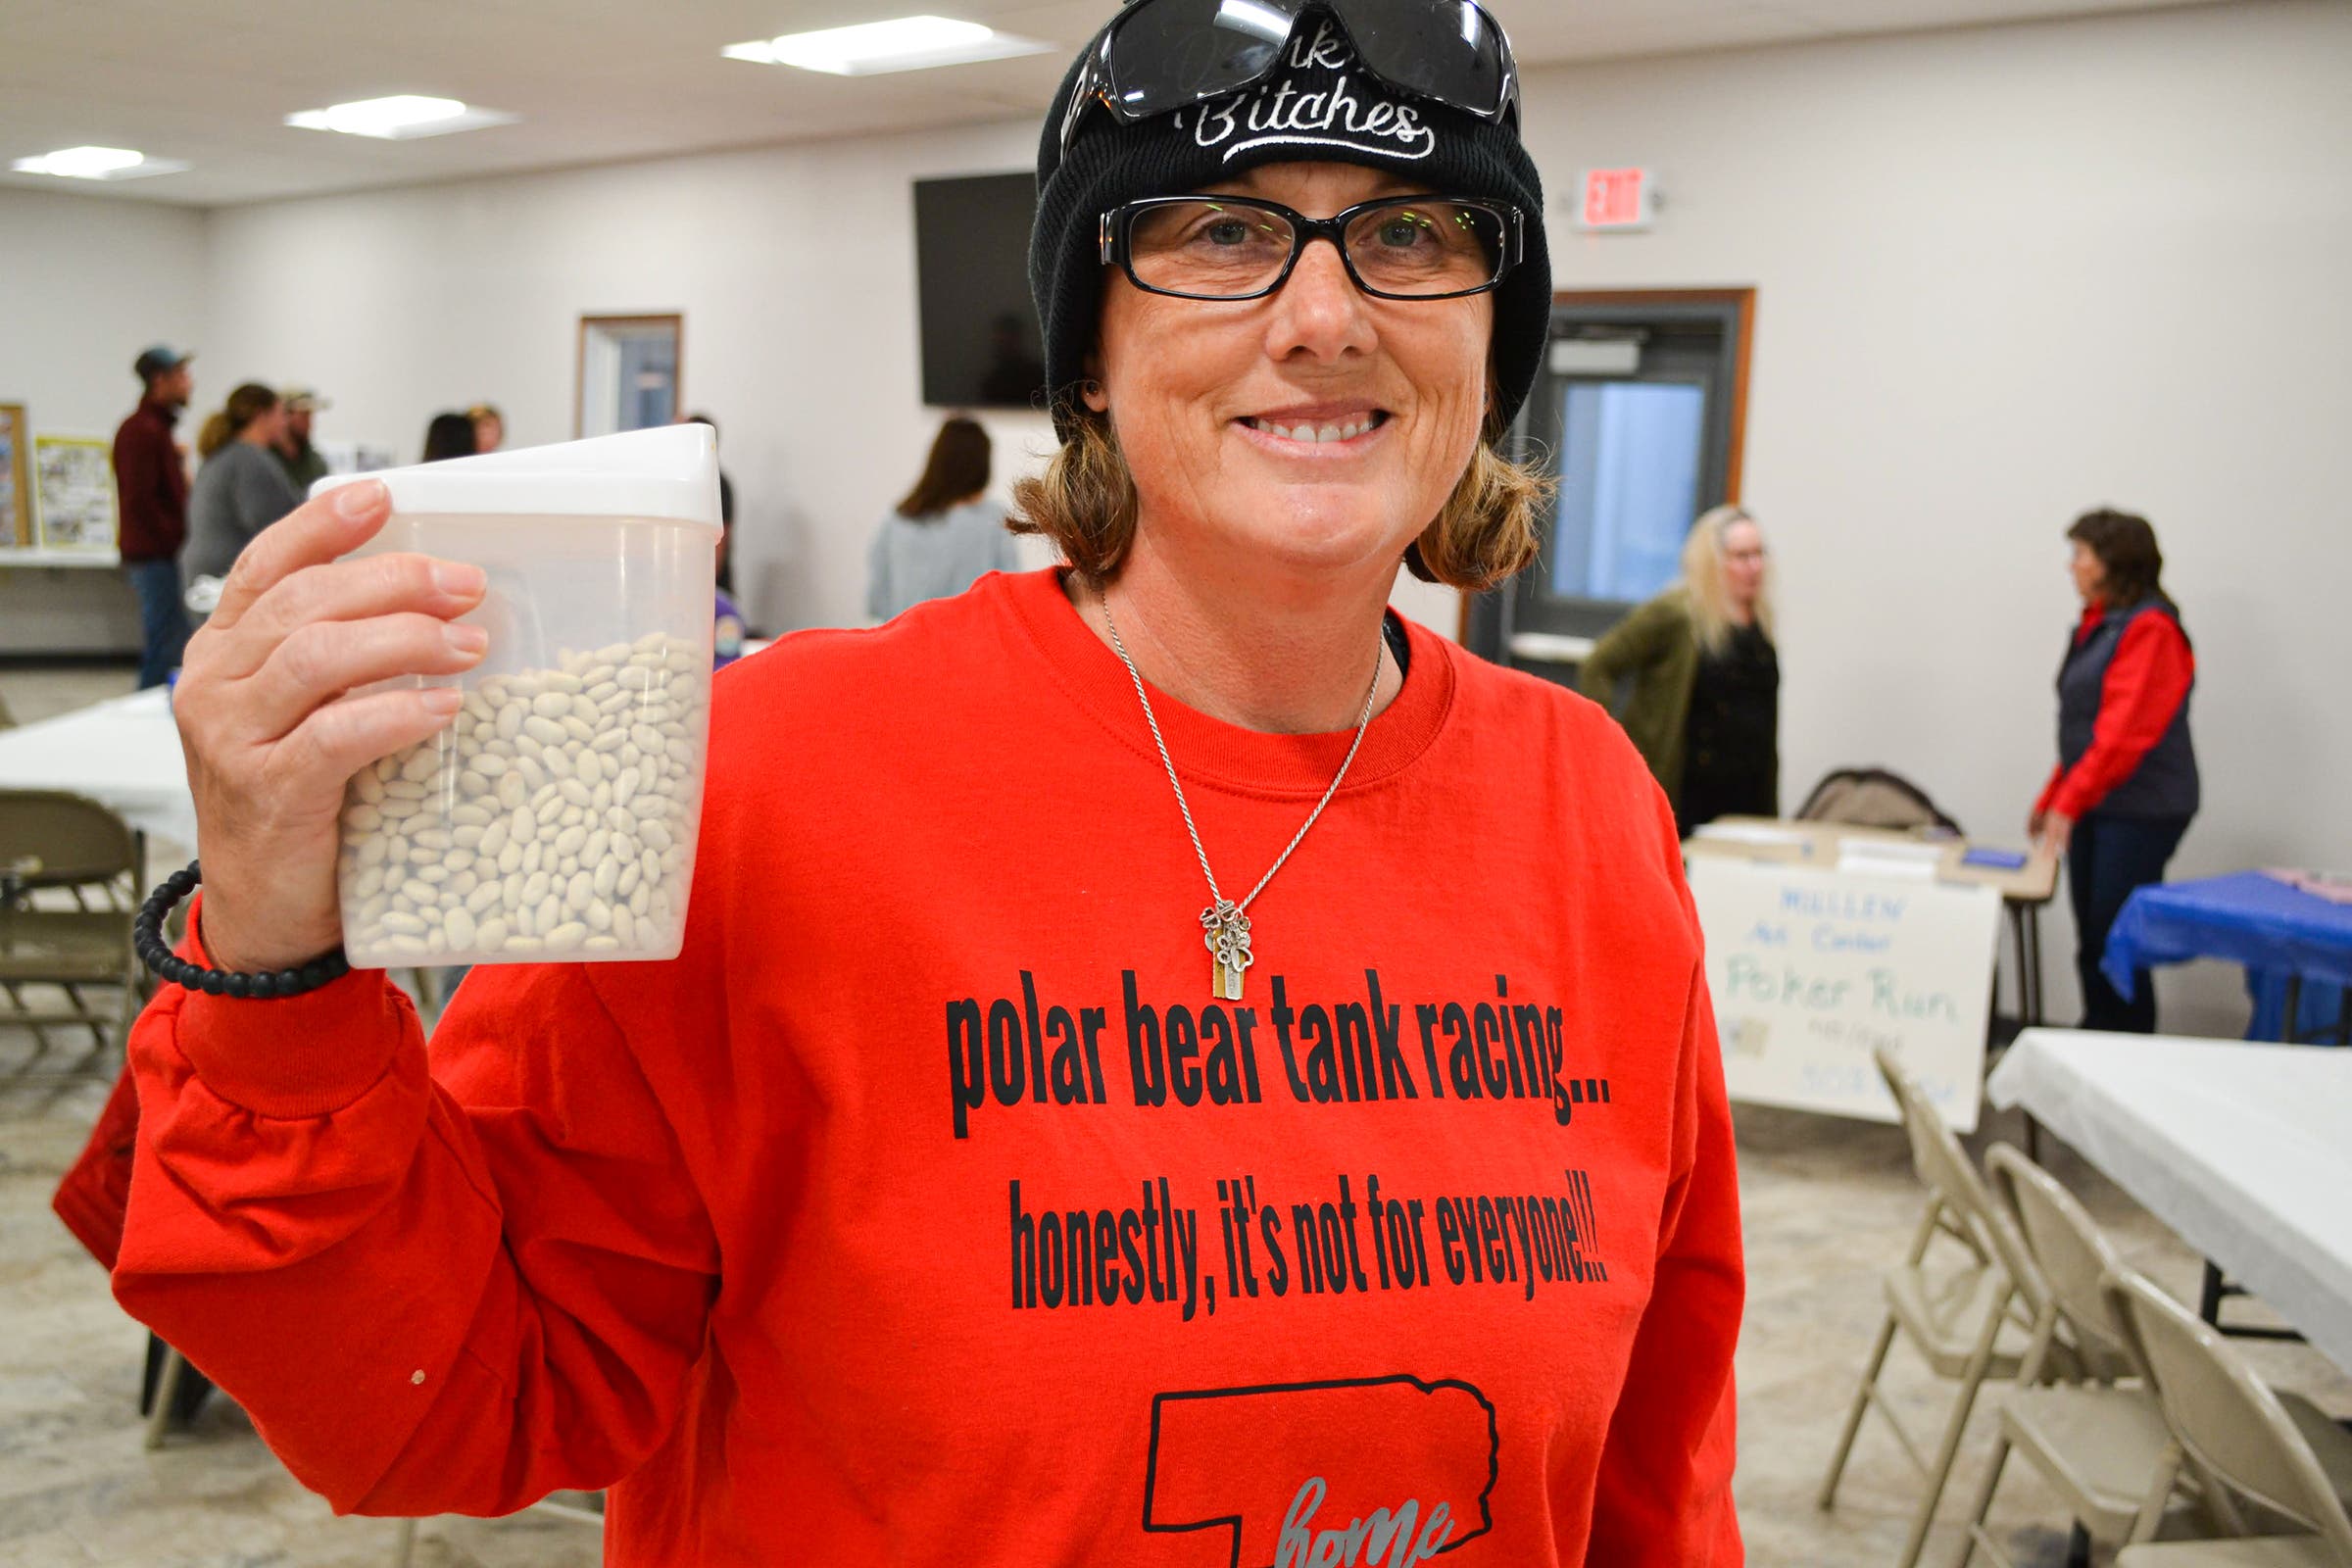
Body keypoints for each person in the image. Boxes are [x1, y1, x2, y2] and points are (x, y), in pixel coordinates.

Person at [115, 7, 1742, 1563]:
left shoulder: (1587, 808)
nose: (1325, 315)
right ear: (1090, 357)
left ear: (1489, 343)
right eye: (1221, 233)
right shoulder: (777, 782)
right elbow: (446, 1403)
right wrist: (269, 953)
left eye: (1415, 235)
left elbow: (1657, 1472)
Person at [2031, 508, 2198, 1033]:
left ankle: (2123, 1044)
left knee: (2115, 938)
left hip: (2140, 809)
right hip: (2100, 802)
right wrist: (2054, 796)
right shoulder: (2098, 625)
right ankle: (2096, 1038)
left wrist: (2070, 799)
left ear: (2111, 563)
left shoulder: (2151, 629)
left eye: (2080, 554)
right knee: (2093, 937)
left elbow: (2123, 736)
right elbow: (2085, 730)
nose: (2071, 567)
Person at [1580, 505, 1778, 835]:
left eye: (1759, 555)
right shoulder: (1676, 614)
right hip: (1688, 798)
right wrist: (1609, 747)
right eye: (1742, 556)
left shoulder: (1759, 622)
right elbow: (1600, 664)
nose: (1754, 567)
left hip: (1745, 801)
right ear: (1713, 562)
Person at [865, 415, 1019, 621]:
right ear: (981, 468)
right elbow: (1011, 598)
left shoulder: (897, 518)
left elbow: (876, 601)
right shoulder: (994, 519)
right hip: (969, 646)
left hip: (904, 644)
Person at [111, 346, 196, 687]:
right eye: (181, 375)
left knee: (171, 642)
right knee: (166, 643)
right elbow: (140, 500)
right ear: (159, 381)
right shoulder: (141, 431)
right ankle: (140, 721)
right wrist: (175, 539)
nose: (189, 383)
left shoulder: (156, 430)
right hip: (155, 555)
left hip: (161, 552)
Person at [179, 383, 301, 588]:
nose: (284, 423)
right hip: (227, 576)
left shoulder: (220, 456)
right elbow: (270, 523)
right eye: (280, 414)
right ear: (262, 415)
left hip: (204, 574)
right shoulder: (250, 459)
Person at [678, 411, 738, 594]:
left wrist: (706, 587)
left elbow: (720, 541)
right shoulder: (684, 483)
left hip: (711, 589)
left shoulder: (718, 484)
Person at [273, 387, 330, 492]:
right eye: (303, 416)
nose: (309, 424)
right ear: (285, 416)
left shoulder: (315, 464)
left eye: (310, 416)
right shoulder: (266, 460)